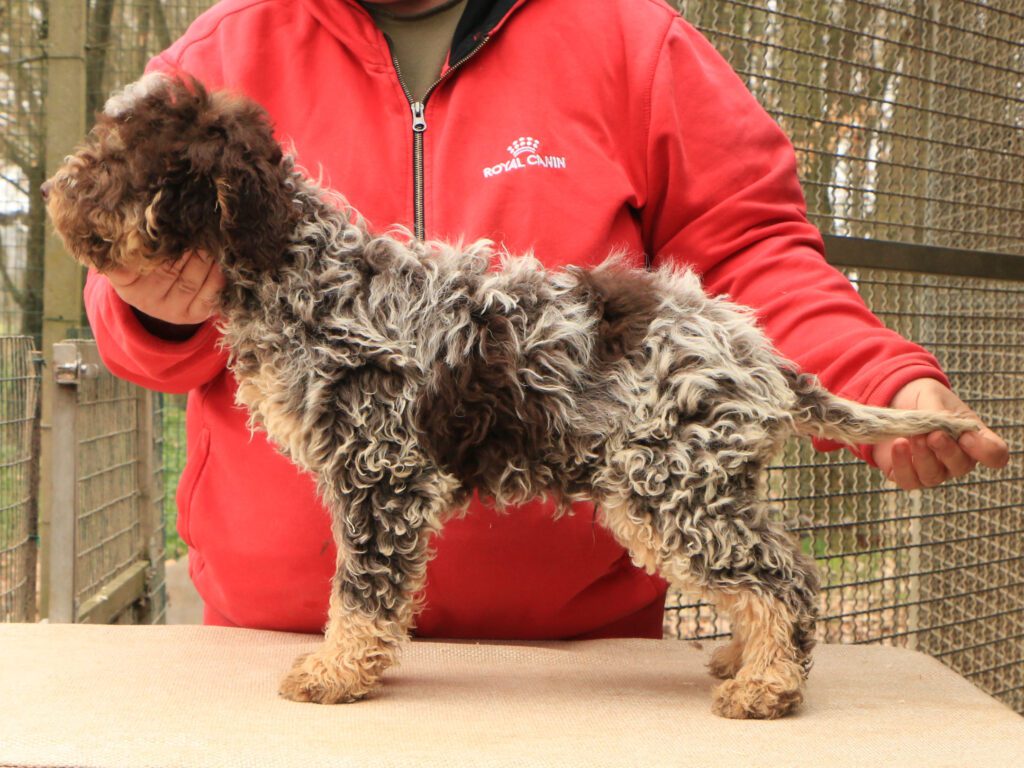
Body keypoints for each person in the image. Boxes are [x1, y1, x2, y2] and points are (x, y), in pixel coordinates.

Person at [85, 0, 1008, 637]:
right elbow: (129, 319)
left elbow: (750, 247)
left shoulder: (628, 36)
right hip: (279, 642)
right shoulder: (222, 53)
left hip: (579, 666)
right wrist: (153, 309)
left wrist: (876, 374)